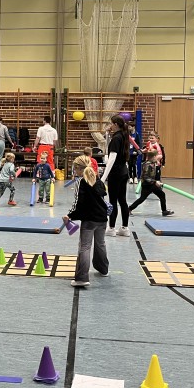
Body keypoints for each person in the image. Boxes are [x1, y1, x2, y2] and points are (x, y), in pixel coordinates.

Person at [64, 155, 109, 288]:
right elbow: (102, 198)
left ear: (78, 169)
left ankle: (82, 278)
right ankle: (103, 269)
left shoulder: (81, 182)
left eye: (74, 169)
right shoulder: (98, 180)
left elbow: (79, 203)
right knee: (101, 244)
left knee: (85, 247)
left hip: (89, 220)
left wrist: (70, 215)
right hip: (102, 218)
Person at [102, 114, 130, 237]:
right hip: (124, 172)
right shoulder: (124, 135)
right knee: (122, 201)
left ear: (116, 125)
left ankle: (111, 228)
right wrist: (108, 135)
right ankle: (125, 227)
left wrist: (103, 177)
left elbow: (112, 158)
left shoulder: (117, 138)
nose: (110, 126)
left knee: (112, 201)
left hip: (116, 174)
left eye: (111, 124)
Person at [129, 151, 174, 217]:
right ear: (153, 157)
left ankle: (164, 211)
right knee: (142, 199)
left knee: (162, 194)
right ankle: (129, 209)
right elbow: (145, 176)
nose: (157, 157)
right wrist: (155, 182)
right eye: (156, 156)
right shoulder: (147, 164)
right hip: (147, 185)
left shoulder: (153, 163)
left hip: (151, 184)